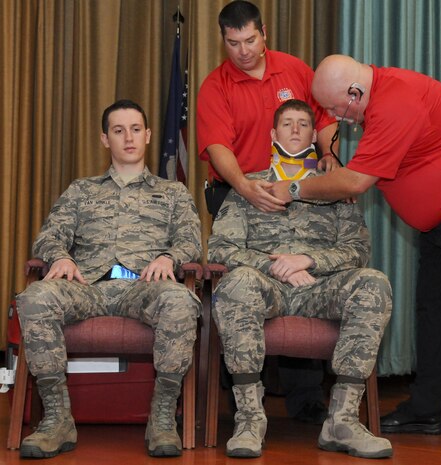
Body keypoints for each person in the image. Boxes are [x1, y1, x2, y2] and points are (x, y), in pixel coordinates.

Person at [269, 54, 441, 454]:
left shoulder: (394, 102)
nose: (337, 117)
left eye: (337, 108)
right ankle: (426, 409)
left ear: (354, 92)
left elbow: (355, 181)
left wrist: (294, 188)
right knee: (436, 309)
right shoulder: (378, 96)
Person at [15, 99, 202, 459]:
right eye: (118, 131)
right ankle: (57, 419)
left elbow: (190, 242)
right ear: (105, 139)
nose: (128, 138)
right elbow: (49, 236)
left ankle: (162, 418)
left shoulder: (173, 192)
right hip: (88, 286)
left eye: (135, 129)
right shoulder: (81, 191)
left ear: (148, 135)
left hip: (145, 286)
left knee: (180, 301)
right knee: (34, 297)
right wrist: (62, 257)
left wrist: (169, 257)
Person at [208, 99, 393, 459]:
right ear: (273, 134)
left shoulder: (336, 187)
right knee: (236, 283)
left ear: (313, 134)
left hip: (319, 286)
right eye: (287, 124)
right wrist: (272, 266)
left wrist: (308, 259)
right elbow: (220, 248)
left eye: (303, 124)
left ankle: (342, 420)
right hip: (266, 286)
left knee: (373, 282)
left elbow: (357, 250)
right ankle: (249, 420)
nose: (295, 130)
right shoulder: (249, 188)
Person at [197, 0, 339, 424]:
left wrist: (330, 156)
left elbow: (325, 117)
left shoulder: (295, 70)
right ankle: (241, 395)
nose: (242, 50)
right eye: (233, 42)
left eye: (250, 40)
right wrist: (244, 187)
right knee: (244, 280)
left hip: (300, 192)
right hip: (240, 194)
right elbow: (218, 146)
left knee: (303, 279)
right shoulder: (215, 85)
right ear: (223, 39)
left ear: (265, 34)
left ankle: (306, 397)